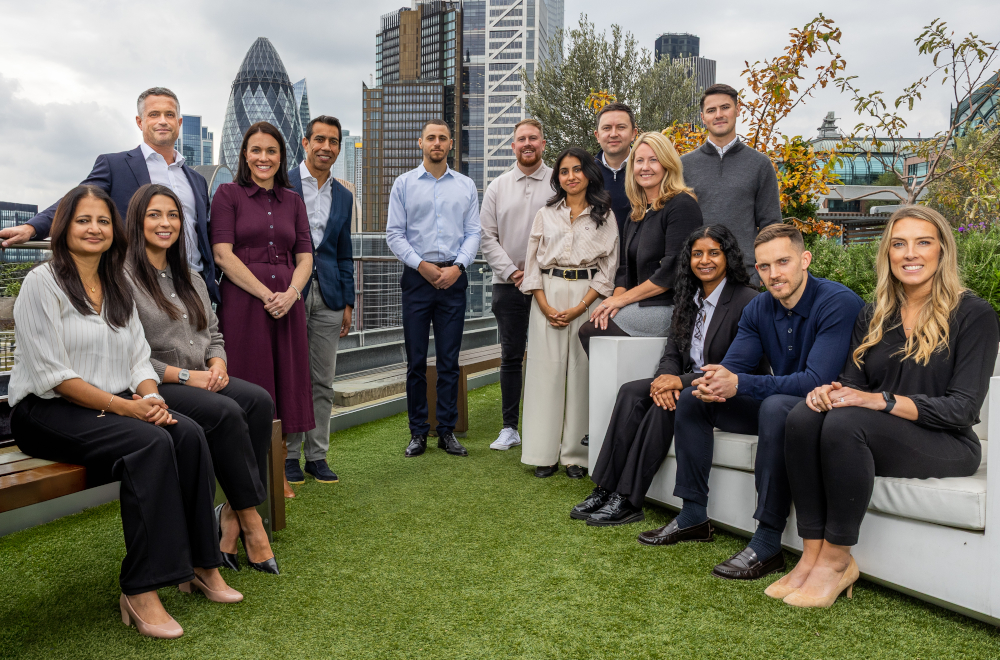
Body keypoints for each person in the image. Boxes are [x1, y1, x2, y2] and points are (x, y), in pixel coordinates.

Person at [8, 185, 241, 640]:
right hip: (46, 411)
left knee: (187, 434)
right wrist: (130, 409)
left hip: (114, 404)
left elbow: (138, 359)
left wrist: (151, 399)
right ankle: (140, 587)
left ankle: (201, 564)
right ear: (63, 228)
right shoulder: (43, 282)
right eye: (83, 220)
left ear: (115, 230)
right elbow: (54, 375)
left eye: (102, 221)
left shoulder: (116, 285)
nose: (94, 229)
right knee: (150, 443)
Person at [771, 206, 999, 608]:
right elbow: (853, 387)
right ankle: (811, 554)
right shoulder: (875, 314)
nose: (910, 253)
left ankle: (838, 562)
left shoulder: (974, 314)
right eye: (899, 244)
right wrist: (827, 394)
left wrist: (881, 400)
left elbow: (962, 409)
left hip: (946, 443)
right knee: (804, 417)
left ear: (943, 250)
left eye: (923, 242)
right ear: (888, 254)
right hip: (879, 433)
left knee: (844, 427)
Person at [636, 224, 864, 583]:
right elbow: (734, 368)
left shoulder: (837, 302)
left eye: (783, 262)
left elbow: (815, 381)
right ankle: (693, 514)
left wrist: (738, 382)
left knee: (774, 406)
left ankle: (768, 540)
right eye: (764, 266)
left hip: (831, 411)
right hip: (787, 406)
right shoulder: (759, 307)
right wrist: (714, 382)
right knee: (696, 398)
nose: (774, 274)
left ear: (805, 260)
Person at [125, 183, 279, 575]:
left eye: (173, 215)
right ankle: (252, 521)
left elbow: (213, 334)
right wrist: (186, 376)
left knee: (259, 401)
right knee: (226, 413)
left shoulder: (189, 276)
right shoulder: (123, 279)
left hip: (203, 376)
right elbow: (129, 355)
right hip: (157, 384)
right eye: (155, 214)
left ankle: (229, 515)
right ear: (137, 221)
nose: (166, 223)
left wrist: (218, 363)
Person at [573, 225, 763, 526]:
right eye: (697, 254)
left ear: (728, 257)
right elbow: (672, 352)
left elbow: (737, 366)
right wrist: (665, 378)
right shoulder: (689, 297)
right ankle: (605, 486)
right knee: (631, 391)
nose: (705, 260)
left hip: (730, 392)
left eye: (714, 253)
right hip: (689, 383)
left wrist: (679, 383)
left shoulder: (748, 300)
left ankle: (628, 499)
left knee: (669, 403)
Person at [1, 87, 220, 304]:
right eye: (154, 114)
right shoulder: (115, 166)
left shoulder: (197, 179)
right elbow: (76, 202)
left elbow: (203, 232)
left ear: (179, 123)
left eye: (169, 115)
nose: (163, 121)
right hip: (141, 284)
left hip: (193, 285)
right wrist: (31, 228)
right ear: (140, 122)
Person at [210, 122, 315, 443]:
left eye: (271, 151)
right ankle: (248, 468)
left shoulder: (293, 201)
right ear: (244, 154)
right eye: (256, 150)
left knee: (286, 379)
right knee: (247, 375)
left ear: (282, 157)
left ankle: (279, 469)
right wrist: (269, 295)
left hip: (288, 305)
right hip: (244, 303)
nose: (263, 157)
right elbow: (222, 255)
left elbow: (306, 257)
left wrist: (292, 294)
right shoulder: (228, 194)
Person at [519, 147, 619, 479]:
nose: (571, 176)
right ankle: (542, 453)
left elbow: (608, 269)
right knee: (544, 375)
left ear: (589, 173)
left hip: (586, 297)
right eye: (564, 171)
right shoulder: (545, 214)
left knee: (580, 375)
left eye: (577, 170)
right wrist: (544, 304)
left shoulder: (604, 214)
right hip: (546, 293)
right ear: (557, 177)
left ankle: (575, 455)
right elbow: (531, 262)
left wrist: (581, 306)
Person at [386, 119, 481, 458]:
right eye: (431, 138)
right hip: (416, 279)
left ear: (451, 144)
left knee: (449, 360)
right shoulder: (404, 184)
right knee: (415, 361)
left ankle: (446, 432)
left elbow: (474, 232)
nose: (436, 143)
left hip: (454, 278)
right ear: (420, 143)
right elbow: (394, 234)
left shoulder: (466, 185)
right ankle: (418, 433)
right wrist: (422, 266)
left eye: (442, 138)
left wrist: (459, 267)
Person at [579, 131, 704, 354]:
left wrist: (621, 302)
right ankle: (625, 388)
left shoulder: (682, 205)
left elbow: (672, 271)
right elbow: (624, 269)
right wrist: (614, 303)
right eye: (639, 161)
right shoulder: (636, 213)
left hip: (672, 306)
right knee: (600, 321)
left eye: (653, 160)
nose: (645, 167)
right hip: (642, 303)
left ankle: (624, 389)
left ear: (667, 164)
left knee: (591, 330)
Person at [284, 115, 356, 488]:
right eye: (320, 140)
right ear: (305, 142)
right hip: (289, 292)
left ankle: (318, 456)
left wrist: (348, 303)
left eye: (333, 142)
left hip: (328, 295)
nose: (326, 147)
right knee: (292, 376)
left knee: (323, 381)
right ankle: (289, 456)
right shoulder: (283, 183)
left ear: (339, 148)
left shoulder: (344, 195)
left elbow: (344, 252)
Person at [479, 118, 552, 451]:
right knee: (511, 356)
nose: (527, 144)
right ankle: (510, 427)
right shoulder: (497, 186)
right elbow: (486, 237)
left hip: (550, 284)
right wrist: (512, 272)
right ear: (513, 146)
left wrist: (535, 273)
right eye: (521, 139)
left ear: (542, 143)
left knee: (549, 356)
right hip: (508, 286)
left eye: (533, 138)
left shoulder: (558, 182)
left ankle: (548, 425)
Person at [680, 84, 781, 277]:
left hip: (745, 273)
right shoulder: (682, 166)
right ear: (702, 117)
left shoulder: (760, 164)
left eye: (725, 107)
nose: (718, 115)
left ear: (737, 110)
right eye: (711, 110)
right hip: (697, 273)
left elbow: (771, 225)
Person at [593, 102, 639, 242]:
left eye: (621, 127)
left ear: (633, 134)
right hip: (599, 260)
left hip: (640, 260)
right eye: (607, 128)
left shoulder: (649, 172)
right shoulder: (586, 175)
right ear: (597, 135)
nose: (613, 134)